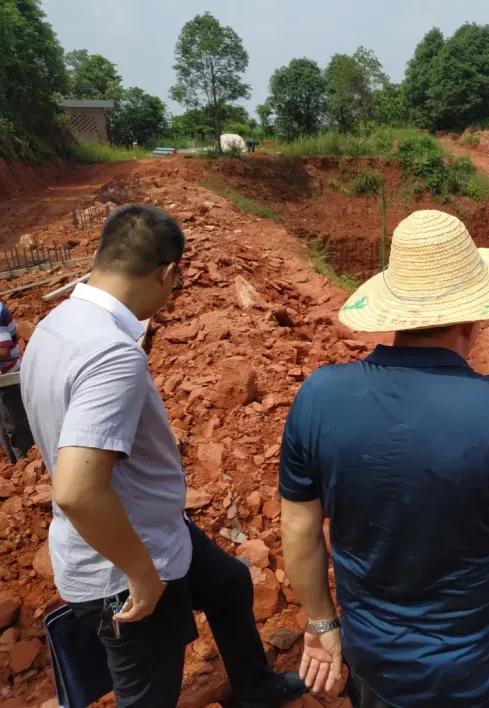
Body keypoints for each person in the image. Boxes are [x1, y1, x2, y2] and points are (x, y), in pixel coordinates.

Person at [278, 209, 489, 707]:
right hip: (477, 673)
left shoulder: (318, 396)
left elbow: (298, 529)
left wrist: (321, 621)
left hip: (374, 668)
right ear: (477, 316)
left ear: (394, 313)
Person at [21, 204, 305, 708]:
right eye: (177, 282)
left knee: (229, 581)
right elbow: (77, 490)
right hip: (124, 564)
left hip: (147, 529)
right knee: (148, 696)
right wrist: (143, 575)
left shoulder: (54, 324)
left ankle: (256, 688)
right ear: (168, 272)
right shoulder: (112, 353)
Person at [0, 300, 33, 462]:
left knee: (15, 426)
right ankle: (17, 466)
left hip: (8, 379)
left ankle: (27, 463)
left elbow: (3, 351)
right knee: (4, 429)